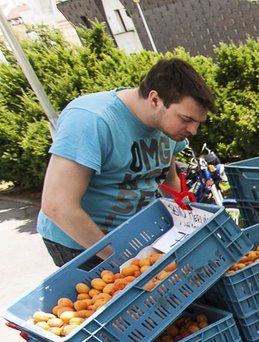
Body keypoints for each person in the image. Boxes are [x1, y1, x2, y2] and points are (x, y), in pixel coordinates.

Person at [37, 58, 216, 267]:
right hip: (81, 242)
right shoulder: (92, 120)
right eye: (186, 119)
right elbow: (58, 206)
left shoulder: (168, 129)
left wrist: (188, 223)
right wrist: (122, 260)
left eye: (197, 123)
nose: (193, 131)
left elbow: (170, 180)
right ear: (155, 99)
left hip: (137, 233)